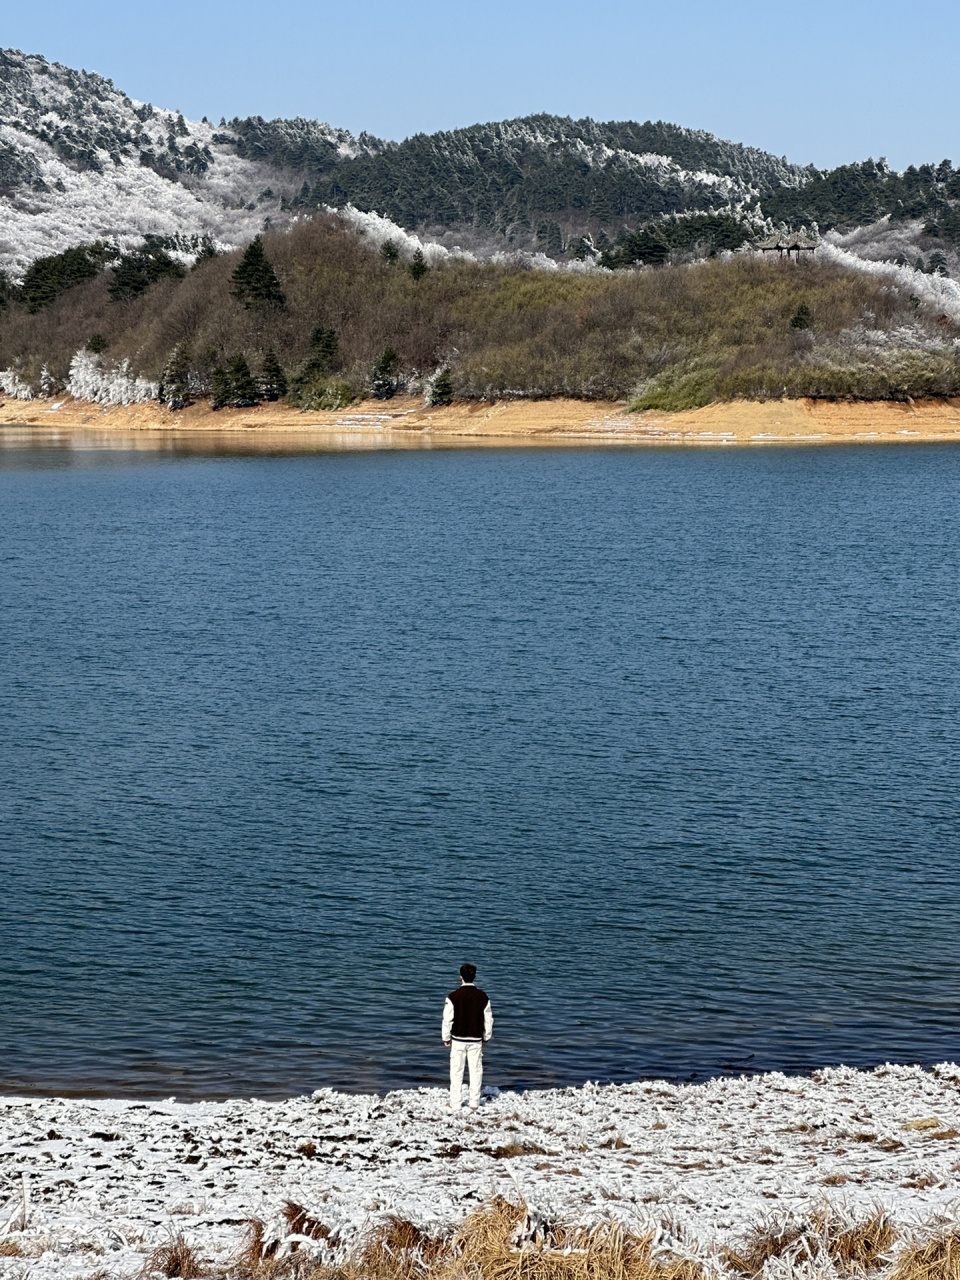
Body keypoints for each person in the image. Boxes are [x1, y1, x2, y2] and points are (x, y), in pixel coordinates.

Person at [441, 963, 493, 1110]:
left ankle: (456, 1103)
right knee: (476, 1071)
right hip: (476, 1039)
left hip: (458, 1039)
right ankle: (474, 1103)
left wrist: (445, 1037)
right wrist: (486, 1036)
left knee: (456, 1071)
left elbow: (447, 1019)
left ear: (460, 977)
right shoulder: (483, 997)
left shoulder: (453, 996)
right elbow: (488, 1019)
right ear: (474, 976)